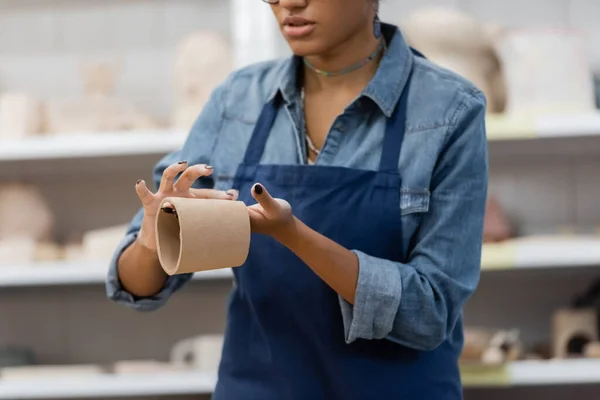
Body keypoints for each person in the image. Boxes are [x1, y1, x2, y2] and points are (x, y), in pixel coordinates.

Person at [106, 0, 489, 398]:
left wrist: (295, 236)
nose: (288, 2)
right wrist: (153, 238)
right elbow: (139, 288)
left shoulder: (449, 110)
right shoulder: (239, 101)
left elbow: (430, 312)